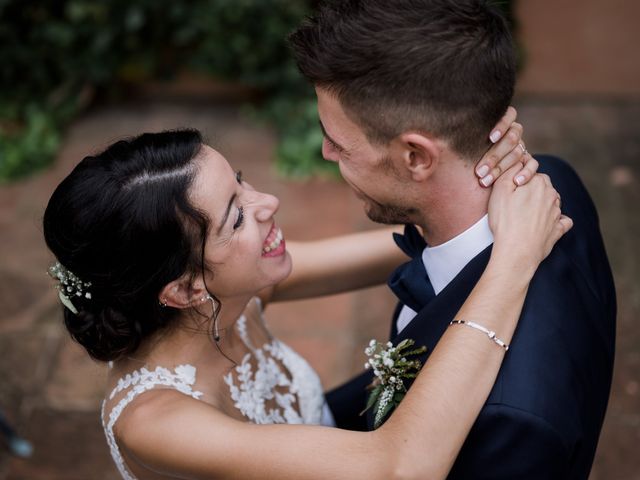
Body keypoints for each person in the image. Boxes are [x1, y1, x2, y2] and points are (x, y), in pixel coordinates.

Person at [43, 127, 568, 479]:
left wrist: (470, 173)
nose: (267, 203)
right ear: (184, 290)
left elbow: (406, 245)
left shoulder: (229, 294)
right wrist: (514, 260)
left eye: (242, 184)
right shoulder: (154, 422)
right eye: (237, 216)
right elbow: (401, 468)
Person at [289, 0, 616, 478]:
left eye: (339, 143)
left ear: (417, 157)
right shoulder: (554, 180)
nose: (325, 151)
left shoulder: (511, 420)